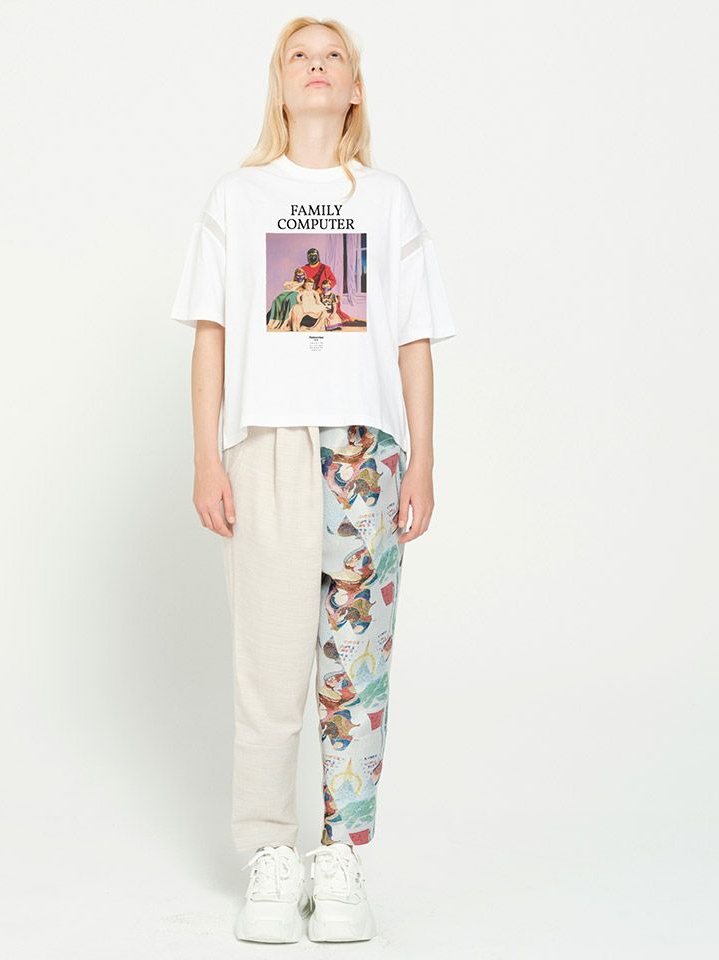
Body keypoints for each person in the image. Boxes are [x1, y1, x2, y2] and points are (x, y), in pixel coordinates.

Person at [169, 16, 456, 944]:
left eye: (334, 56)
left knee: (356, 665)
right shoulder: (239, 196)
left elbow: (414, 339)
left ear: (355, 87)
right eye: (301, 56)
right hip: (271, 446)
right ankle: (269, 852)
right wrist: (209, 454)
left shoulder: (388, 199)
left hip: (368, 450)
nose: (318, 66)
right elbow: (212, 333)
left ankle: (340, 859)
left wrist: (422, 459)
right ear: (281, 84)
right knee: (270, 659)